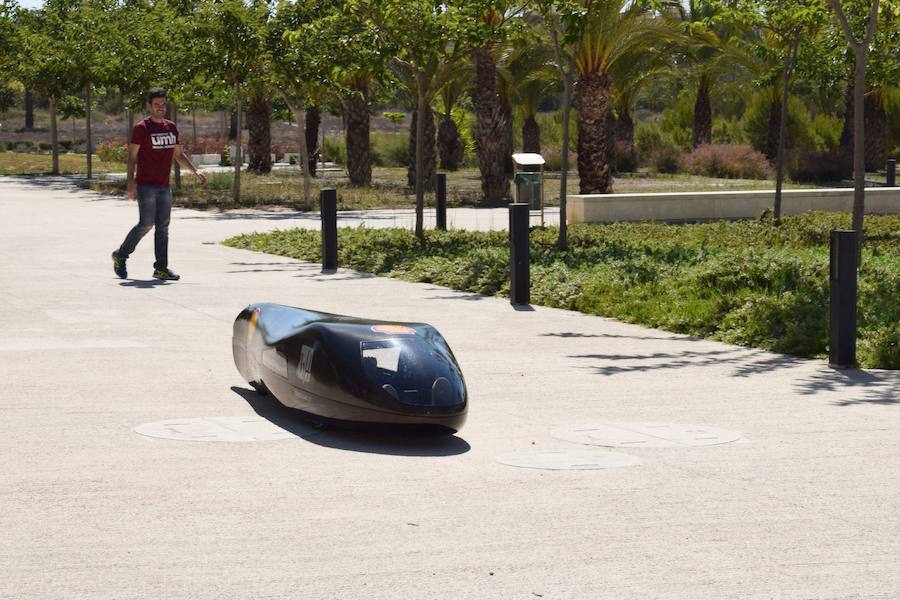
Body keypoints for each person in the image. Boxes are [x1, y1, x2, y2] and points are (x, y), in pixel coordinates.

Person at [112, 88, 206, 280]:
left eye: (163, 105)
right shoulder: (142, 128)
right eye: (156, 105)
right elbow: (132, 157)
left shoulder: (171, 127)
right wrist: (130, 183)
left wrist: (195, 171)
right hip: (146, 184)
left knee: (163, 227)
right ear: (149, 106)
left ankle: (161, 268)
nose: (160, 108)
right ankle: (121, 255)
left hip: (164, 185)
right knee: (146, 224)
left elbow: (178, 155)